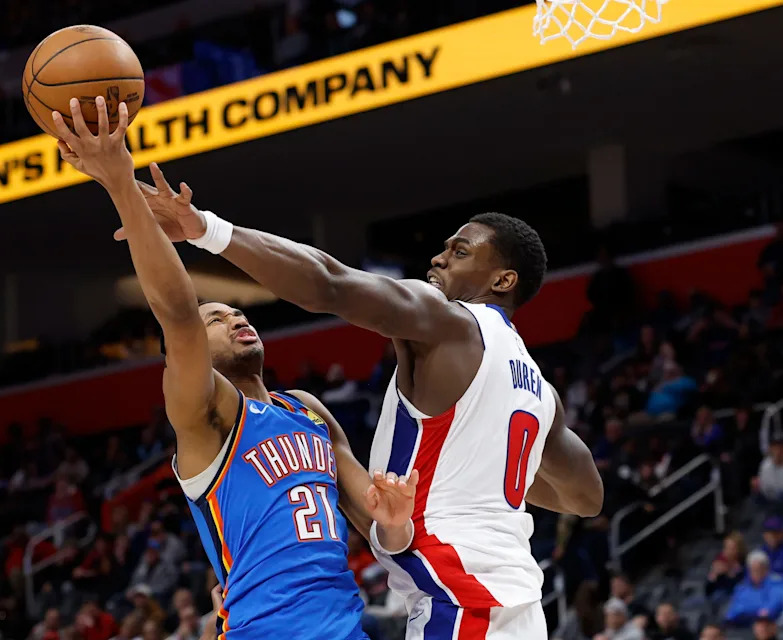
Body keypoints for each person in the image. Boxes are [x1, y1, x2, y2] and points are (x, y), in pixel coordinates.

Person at [119, 162, 604, 638]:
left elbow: (329, 282)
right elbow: (585, 496)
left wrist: (208, 229)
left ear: (503, 281)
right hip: (511, 602)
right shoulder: (540, 391)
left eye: (458, 252)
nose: (437, 259)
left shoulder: (448, 322)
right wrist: (487, 475)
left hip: (461, 600)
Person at [54, 97, 417, 640]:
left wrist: (395, 522)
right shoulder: (208, 415)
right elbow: (177, 312)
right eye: (216, 318)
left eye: (235, 310)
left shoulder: (308, 410)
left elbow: (379, 530)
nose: (234, 317)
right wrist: (120, 182)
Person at [724, 550, 783, 627]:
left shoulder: (777, 583)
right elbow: (733, 612)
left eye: (759, 569)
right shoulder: (742, 587)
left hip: (767, 624)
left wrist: (751, 611)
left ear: (766, 569)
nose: (756, 573)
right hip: (743, 623)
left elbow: (769, 609)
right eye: (753, 570)